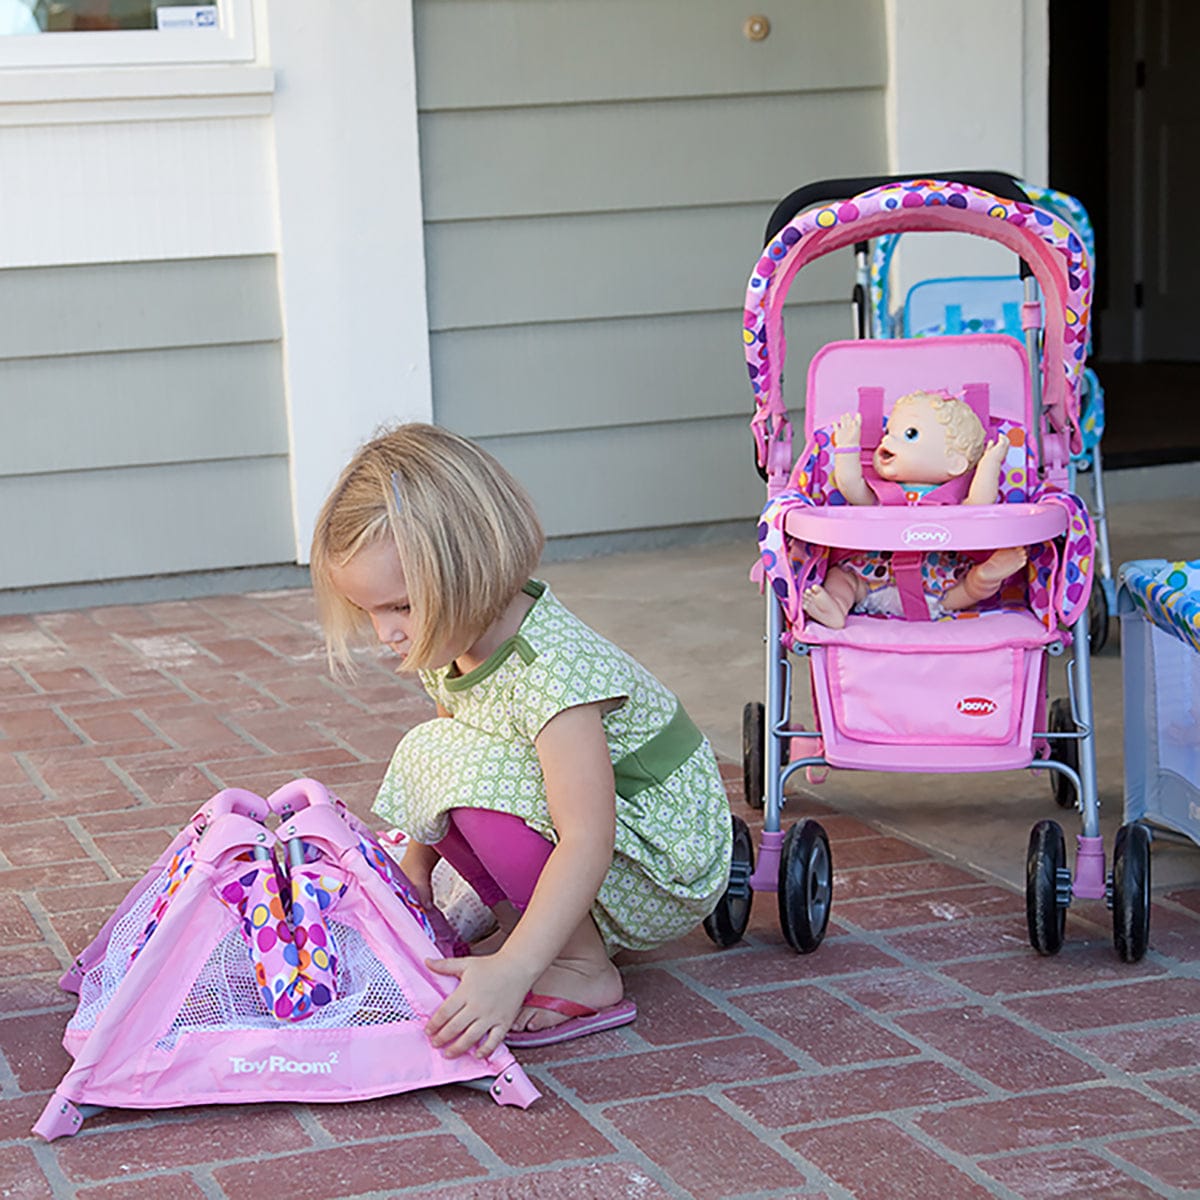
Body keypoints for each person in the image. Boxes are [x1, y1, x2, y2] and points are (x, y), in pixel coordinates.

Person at [310, 423, 732, 1059]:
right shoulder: (450, 636)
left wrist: (514, 970)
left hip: (662, 853)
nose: (385, 633)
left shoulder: (551, 672)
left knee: (462, 769)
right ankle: (534, 938)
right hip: (598, 833)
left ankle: (583, 968)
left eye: (400, 606)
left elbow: (590, 836)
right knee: (439, 750)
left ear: (469, 572)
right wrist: (416, 879)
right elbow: (450, 760)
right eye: (371, 611)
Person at [802, 389, 1028, 629]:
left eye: (910, 434)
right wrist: (847, 447)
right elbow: (851, 486)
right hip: (870, 578)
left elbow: (980, 504)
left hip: (939, 582)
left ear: (954, 462)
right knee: (840, 577)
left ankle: (986, 576)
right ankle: (836, 606)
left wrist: (989, 464)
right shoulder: (881, 494)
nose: (887, 440)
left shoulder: (951, 502)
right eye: (888, 433)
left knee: (970, 587)